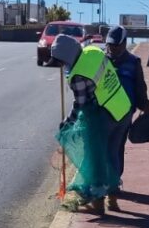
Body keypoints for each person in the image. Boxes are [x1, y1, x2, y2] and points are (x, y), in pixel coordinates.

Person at [51, 34, 134, 214]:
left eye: (61, 61)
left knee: (95, 158)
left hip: (104, 116)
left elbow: (81, 104)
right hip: (123, 108)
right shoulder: (94, 51)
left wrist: (67, 123)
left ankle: (98, 202)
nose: (61, 65)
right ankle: (113, 199)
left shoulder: (78, 75)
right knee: (112, 156)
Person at [104, 26, 149, 209]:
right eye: (110, 45)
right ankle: (107, 188)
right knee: (104, 150)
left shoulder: (133, 62)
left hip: (124, 114)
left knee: (116, 149)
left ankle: (113, 187)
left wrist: (146, 106)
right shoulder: (102, 60)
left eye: (117, 45)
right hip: (103, 113)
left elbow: (140, 87)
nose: (113, 48)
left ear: (125, 43)